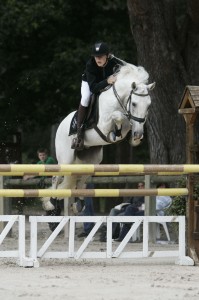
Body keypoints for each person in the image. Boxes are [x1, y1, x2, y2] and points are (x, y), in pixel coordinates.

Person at [71, 41, 125, 151]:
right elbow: (94, 88)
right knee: (86, 98)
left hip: (107, 83)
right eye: (96, 57)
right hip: (90, 84)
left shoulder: (115, 61)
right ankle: (79, 130)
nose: (97, 59)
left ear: (107, 55)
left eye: (100, 56)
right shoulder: (90, 65)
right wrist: (107, 81)